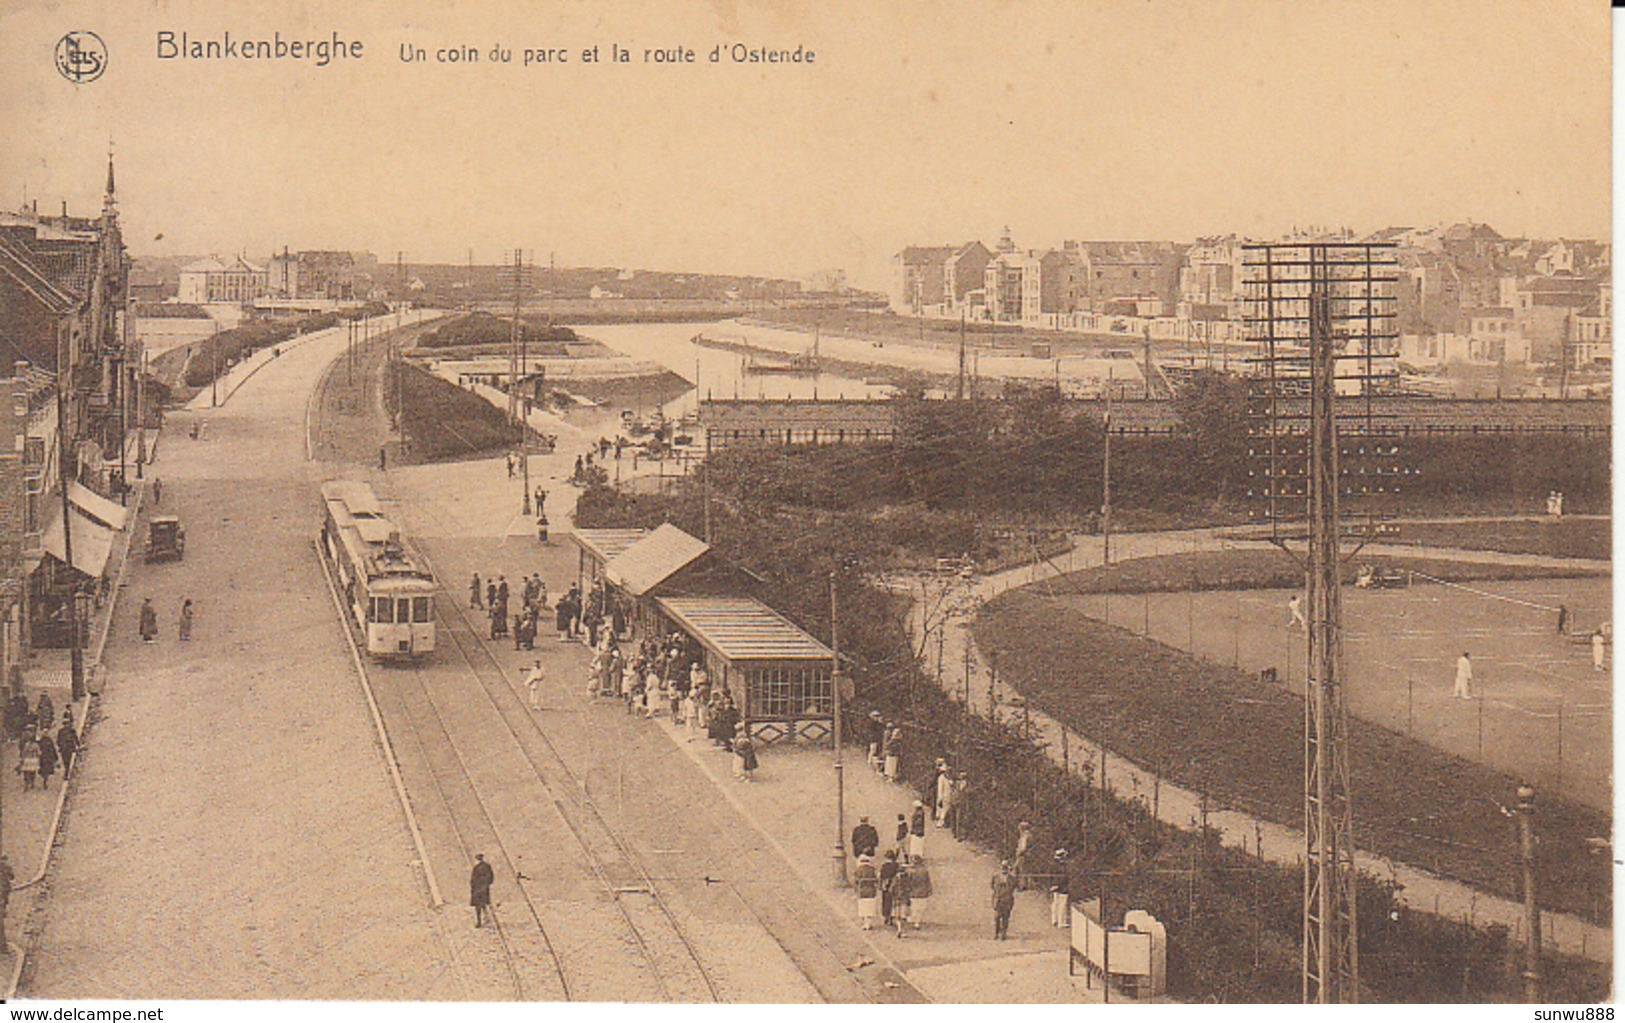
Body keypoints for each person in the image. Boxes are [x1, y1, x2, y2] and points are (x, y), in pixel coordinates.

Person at [991, 861, 1017, 940]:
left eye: (1006, 868)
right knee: (997, 917)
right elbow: (992, 886)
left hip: (1007, 899)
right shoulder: (996, 877)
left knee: (1005, 917)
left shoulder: (1012, 878)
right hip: (998, 899)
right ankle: (996, 933)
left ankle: (1003, 933)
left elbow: (1013, 887)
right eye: (1003, 868)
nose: (1004, 870)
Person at [854, 854, 880, 930]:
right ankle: (869, 922)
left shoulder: (858, 870)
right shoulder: (872, 869)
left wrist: (856, 890)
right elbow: (876, 879)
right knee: (870, 906)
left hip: (862, 891)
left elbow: (856, 881)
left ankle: (865, 923)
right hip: (871, 891)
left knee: (863, 906)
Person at [907, 854, 932, 929]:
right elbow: (928, 881)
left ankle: (915, 921)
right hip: (923, 891)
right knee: (921, 907)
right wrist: (929, 889)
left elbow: (909, 882)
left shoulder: (912, 871)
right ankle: (917, 921)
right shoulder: (924, 871)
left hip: (914, 891)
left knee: (914, 906)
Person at [470, 854, 495, 928]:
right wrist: (487, 885)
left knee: (478, 906)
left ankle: (479, 921)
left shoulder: (476, 868)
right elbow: (491, 877)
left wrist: (473, 888)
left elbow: (473, 879)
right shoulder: (487, 866)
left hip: (477, 889)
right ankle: (486, 918)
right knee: (483, 904)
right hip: (484, 888)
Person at [1049, 849, 1071, 927]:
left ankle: (1054, 920)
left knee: (1056, 902)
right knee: (1062, 903)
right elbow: (1063, 877)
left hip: (1055, 885)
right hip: (1062, 886)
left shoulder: (1053, 864)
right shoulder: (1061, 865)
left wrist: (1053, 885)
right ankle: (1061, 922)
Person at [891, 860, 913, 938]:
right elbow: (910, 888)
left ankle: (899, 929)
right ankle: (902, 931)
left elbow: (892, 889)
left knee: (898, 916)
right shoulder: (907, 879)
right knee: (904, 916)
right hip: (904, 899)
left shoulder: (895, 879)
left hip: (897, 899)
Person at [879, 849, 900, 925]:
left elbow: (881, 876)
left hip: (886, 886)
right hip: (894, 886)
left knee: (885, 901)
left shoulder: (884, 866)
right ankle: (891, 917)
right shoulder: (896, 865)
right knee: (893, 901)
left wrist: (881, 885)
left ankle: (886, 916)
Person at [57, 713, 78, 779]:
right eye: (65, 724)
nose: (66, 725)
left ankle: (66, 773)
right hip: (63, 748)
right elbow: (58, 740)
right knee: (65, 761)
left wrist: (78, 745)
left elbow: (75, 738)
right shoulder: (60, 731)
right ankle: (67, 771)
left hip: (70, 748)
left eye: (67, 724)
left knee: (68, 760)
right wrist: (60, 745)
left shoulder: (72, 731)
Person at [1013, 820, 1034, 888]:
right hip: (1025, 855)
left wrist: (1019, 852)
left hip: (1023, 855)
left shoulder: (1026, 836)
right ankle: (1022, 884)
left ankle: (1023, 885)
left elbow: (1023, 847)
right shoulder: (1026, 835)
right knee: (1021, 869)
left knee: (1021, 869)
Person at [933, 761, 953, 826]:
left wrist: (939, 798)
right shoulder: (949, 778)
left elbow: (940, 789)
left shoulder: (941, 778)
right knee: (946, 808)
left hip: (943, 795)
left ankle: (941, 821)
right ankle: (944, 821)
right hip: (948, 795)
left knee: (942, 808)